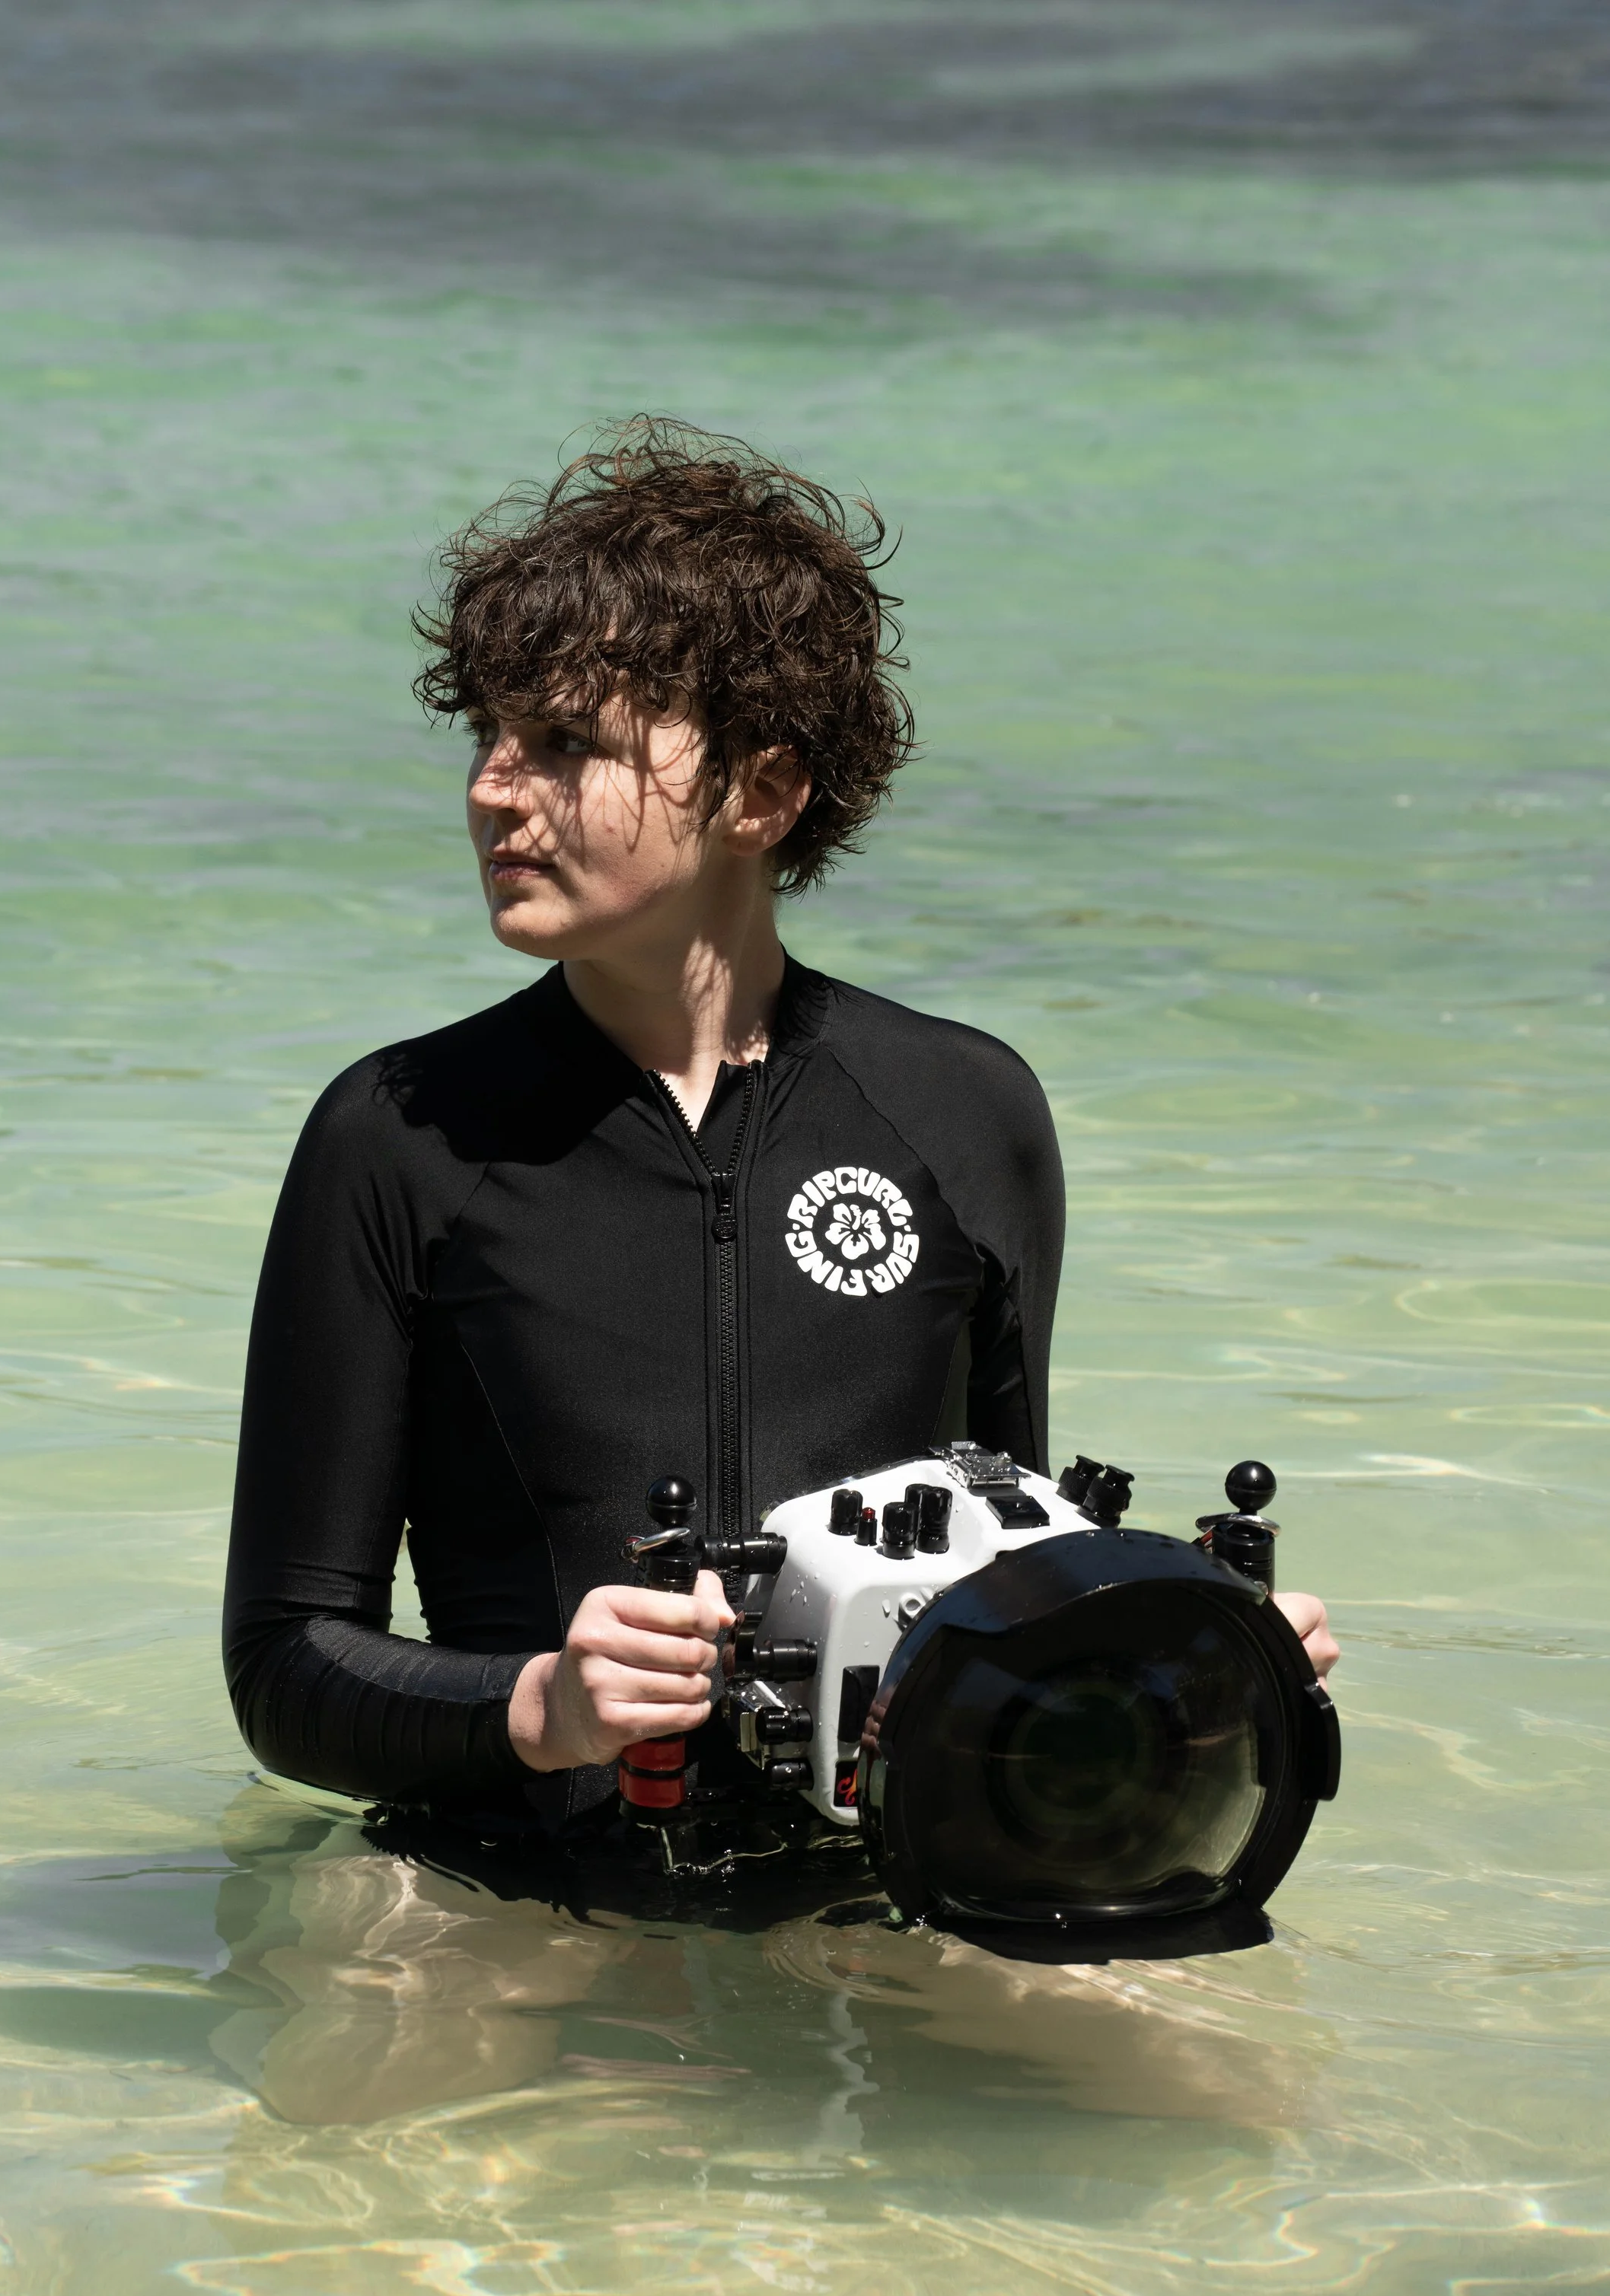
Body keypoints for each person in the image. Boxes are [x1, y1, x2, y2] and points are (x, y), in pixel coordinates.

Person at [223, 417, 1336, 1847]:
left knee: (1243, 2067)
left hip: (886, 1885)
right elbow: (287, 1667)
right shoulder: (400, 1136)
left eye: (567, 743)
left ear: (761, 789)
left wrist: (1198, 1659)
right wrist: (539, 1708)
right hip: (510, 1888)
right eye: (489, 735)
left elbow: (1006, 1590)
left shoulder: (964, 1114)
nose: (495, 787)